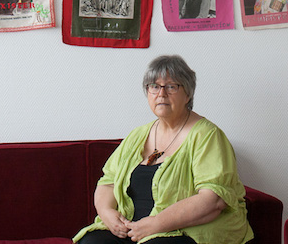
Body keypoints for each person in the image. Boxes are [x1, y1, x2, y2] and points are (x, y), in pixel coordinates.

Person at [74, 55, 252, 244]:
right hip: (132, 229)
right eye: (154, 86)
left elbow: (213, 199)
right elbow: (108, 182)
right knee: (91, 242)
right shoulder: (138, 135)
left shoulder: (207, 136)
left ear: (188, 94)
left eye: (171, 86)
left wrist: (156, 224)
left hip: (184, 230)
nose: (161, 93)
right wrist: (108, 214)